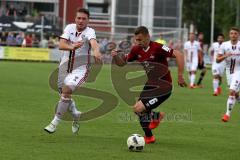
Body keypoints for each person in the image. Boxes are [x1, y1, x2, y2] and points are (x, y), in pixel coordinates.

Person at [111, 26, 186, 144]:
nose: (137, 42)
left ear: (148, 37)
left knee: (139, 108)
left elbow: (179, 55)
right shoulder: (136, 50)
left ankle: (154, 120)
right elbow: (122, 63)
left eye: (140, 40)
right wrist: (115, 56)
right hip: (150, 85)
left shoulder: (158, 47)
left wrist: (180, 76)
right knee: (138, 110)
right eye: (136, 40)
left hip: (164, 87)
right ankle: (150, 135)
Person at [44, 8, 102, 134]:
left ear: (88, 20)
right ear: (75, 19)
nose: (80, 21)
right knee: (64, 95)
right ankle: (76, 114)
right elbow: (61, 45)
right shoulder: (69, 27)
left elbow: (94, 43)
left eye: (84, 19)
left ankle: (54, 123)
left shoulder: (90, 31)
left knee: (66, 91)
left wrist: (97, 53)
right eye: (78, 18)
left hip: (80, 70)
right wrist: (72, 46)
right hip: (64, 67)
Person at [217, 27, 240, 122]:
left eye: (235, 33)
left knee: (231, 91)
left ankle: (227, 115)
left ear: (238, 35)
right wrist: (225, 56)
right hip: (229, 72)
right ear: (229, 35)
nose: (233, 35)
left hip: (239, 71)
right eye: (231, 33)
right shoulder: (224, 45)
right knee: (236, 93)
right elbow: (217, 60)